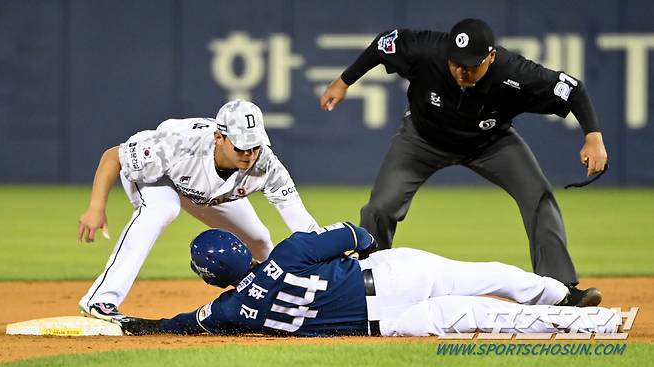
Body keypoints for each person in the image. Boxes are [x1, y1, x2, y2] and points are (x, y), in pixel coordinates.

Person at [319, 19, 608, 300]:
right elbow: (383, 44)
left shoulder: (514, 72)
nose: (461, 71)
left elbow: (571, 88)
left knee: (538, 196)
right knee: (379, 208)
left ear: (491, 57)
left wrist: (593, 135)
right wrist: (343, 81)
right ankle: (368, 289)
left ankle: (560, 291)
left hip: (490, 143)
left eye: (471, 65)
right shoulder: (427, 50)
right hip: (421, 140)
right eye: (456, 62)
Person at [113, 223, 619, 337]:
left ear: (210, 280)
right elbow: (360, 234)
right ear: (242, 249)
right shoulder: (290, 251)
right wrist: (371, 249)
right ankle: (565, 295)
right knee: (482, 274)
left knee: (481, 318)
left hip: (389, 322)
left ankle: (592, 328)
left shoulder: (228, 311)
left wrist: (142, 324)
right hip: (391, 274)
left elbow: (182, 323)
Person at [77, 99, 319, 320]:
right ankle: (100, 300)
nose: (249, 154)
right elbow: (113, 157)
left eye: (254, 146)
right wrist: (96, 207)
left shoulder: (266, 164)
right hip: (160, 175)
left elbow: (300, 220)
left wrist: (325, 254)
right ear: (219, 137)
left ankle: (278, 298)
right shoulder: (177, 144)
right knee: (163, 210)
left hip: (208, 194)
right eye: (241, 147)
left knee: (259, 239)